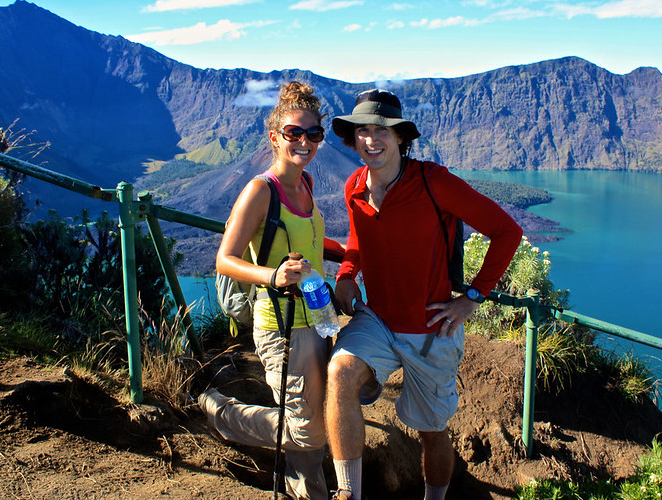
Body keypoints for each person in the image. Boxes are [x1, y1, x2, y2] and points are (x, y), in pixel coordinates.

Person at [325, 89, 523, 500]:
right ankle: (348, 493)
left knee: (432, 432)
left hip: (432, 328)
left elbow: (507, 231)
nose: (371, 139)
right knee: (339, 373)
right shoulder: (354, 186)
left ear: (401, 138)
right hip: (378, 320)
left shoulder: (434, 183)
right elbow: (358, 237)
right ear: (352, 138)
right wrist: (346, 274)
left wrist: (473, 297)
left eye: (382, 130)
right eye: (362, 130)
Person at [200, 81, 335, 500]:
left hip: (317, 319)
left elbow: (309, 241)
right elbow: (225, 259)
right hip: (280, 326)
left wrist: (351, 253)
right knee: (306, 430)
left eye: (314, 133)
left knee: (315, 419)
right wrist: (273, 276)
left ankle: (309, 490)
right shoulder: (261, 190)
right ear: (275, 137)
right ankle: (220, 412)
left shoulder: (306, 183)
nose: (305, 141)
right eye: (294, 132)